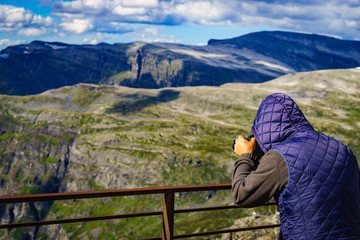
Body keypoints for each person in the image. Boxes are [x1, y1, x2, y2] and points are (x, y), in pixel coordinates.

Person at [232, 93, 360, 240]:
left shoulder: (280, 157)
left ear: (265, 130)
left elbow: (241, 195)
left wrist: (246, 156)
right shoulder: (343, 149)